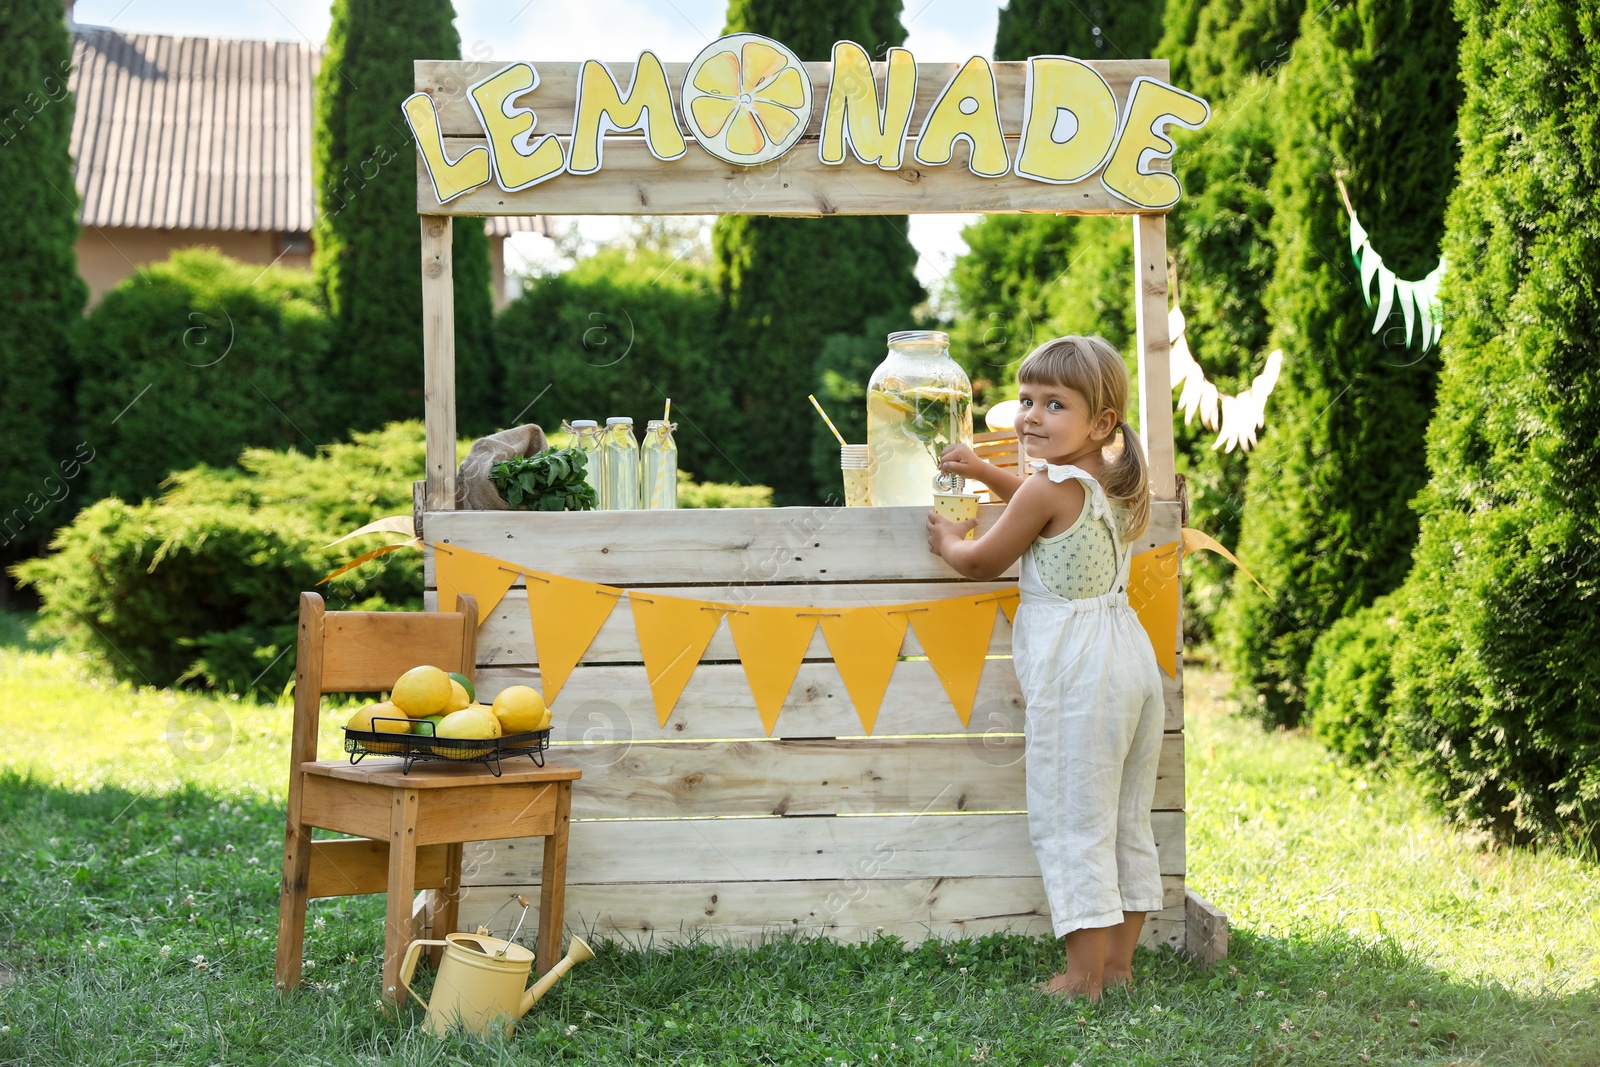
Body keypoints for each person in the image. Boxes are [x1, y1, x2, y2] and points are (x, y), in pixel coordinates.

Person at [926, 335, 1164, 1001]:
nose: (1031, 414)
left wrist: (949, 537)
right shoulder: (1108, 483)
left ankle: (1082, 980)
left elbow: (980, 561)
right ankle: (1117, 965)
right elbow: (1039, 504)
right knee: (1124, 816)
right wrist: (983, 468)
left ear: (1101, 422)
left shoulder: (1048, 489)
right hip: (1130, 659)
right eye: (1026, 398)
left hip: (1079, 672)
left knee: (1073, 818)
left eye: (1053, 403)